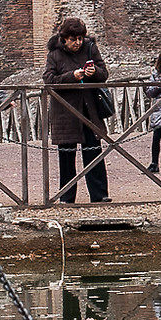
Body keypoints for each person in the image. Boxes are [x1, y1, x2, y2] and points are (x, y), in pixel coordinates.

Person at [44, 17, 110, 204]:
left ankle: (99, 195)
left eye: (80, 38)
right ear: (64, 38)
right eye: (73, 39)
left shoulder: (90, 48)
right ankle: (67, 196)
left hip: (89, 110)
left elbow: (104, 73)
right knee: (66, 156)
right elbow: (49, 80)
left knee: (93, 153)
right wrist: (71, 76)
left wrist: (94, 72)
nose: (78, 43)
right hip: (65, 113)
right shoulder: (55, 55)